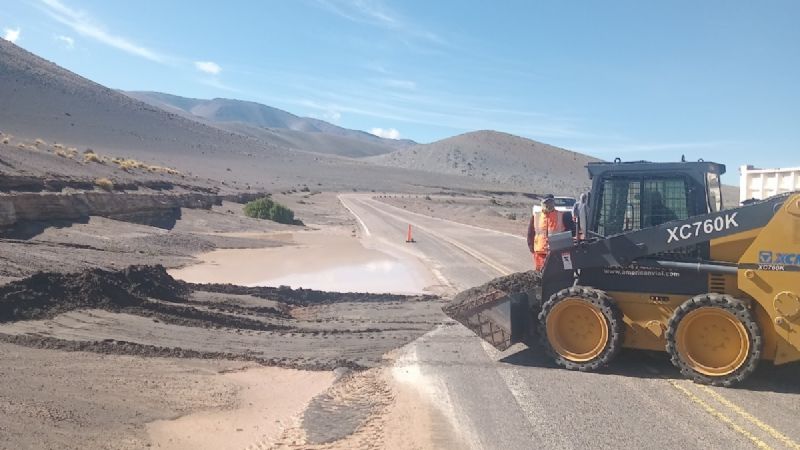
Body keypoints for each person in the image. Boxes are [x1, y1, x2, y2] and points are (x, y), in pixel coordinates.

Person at [527, 194, 574, 271]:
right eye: (546, 202)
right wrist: (531, 247)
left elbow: (571, 232)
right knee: (540, 276)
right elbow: (530, 233)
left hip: (557, 253)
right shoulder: (536, 216)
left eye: (550, 202)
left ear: (553, 203)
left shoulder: (562, 215)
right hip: (540, 253)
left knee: (558, 275)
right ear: (542, 203)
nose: (548, 205)